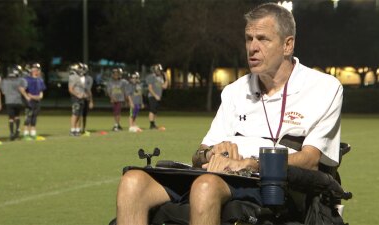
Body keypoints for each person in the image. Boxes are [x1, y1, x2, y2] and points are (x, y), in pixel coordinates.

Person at [115, 3, 343, 225]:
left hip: (277, 182)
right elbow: (199, 155)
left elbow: (311, 160)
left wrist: (249, 164)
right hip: (222, 175)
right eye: (248, 38)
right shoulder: (234, 91)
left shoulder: (324, 88)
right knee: (132, 182)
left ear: (287, 45)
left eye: (262, 39)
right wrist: (212, 153)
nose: (252, 47)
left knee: (206, 186)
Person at [0, 65, 30, 140]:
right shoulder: (21, 80)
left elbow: (3, 92)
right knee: (17, 116)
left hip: (9, 101)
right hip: (17, 101)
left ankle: (11, 133)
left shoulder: (5, 81)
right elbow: (23, 88)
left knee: (11, 118)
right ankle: (17, 130)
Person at [22, 63, 46, 141]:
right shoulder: (27, 79)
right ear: (31, 70)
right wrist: (30, 96)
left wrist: (39, 96)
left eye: (38, 69)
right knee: (28, 117)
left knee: (34, 117)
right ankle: (25, 134)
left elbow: (41, 91)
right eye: (35, 69)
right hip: (29, 101)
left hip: (37, 100)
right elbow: (23, 90)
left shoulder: (40, 79)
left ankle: (33, 134)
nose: (37, 71)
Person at [68, 63, 93, 136]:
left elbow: (84, 89)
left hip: (82, 98)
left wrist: (85, 95)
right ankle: (72, 130)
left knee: (79, 114)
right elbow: (70, 89)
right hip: (76, 98)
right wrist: (78, 95)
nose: (81, 70)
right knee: (75, 113)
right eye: (80, 68)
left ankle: (77, 129)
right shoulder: (73, 76)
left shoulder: (81, 77)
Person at [146, 64, 168, 130]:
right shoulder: (151, 77)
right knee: (152, 110)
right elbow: (150, 88)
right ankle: (151, 125)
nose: (159, 72)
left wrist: (166, 79)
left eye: (160, 70)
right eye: (158, 70)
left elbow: (164, 87)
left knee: (155, 111)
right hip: (152, 96)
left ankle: (154, 124)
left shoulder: (160, 77)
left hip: (158, 96)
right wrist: (155, 95)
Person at [80, 63, 94, 136]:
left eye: (83, 69)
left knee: (84, 114)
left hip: (85, 98)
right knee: (77, 114)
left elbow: (88, 89)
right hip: (78, 97)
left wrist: (91, 101)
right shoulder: (77, 77)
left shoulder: (89, 78)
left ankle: (83, 128)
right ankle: (76, 128)